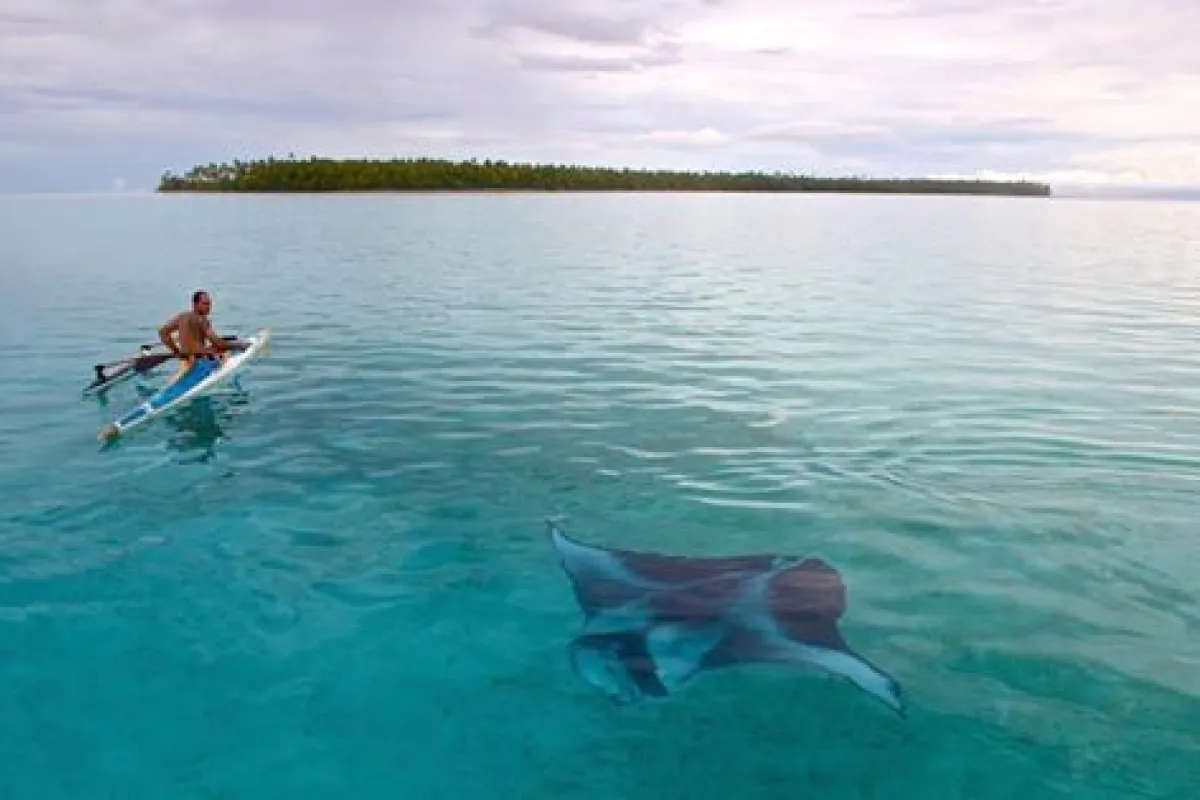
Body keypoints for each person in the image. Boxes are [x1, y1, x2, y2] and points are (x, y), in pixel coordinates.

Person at [159, 289, 247, 364]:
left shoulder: (182, 317)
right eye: (205, 304)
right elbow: (218, 343)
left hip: (187, 358)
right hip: (201, 359)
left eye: (209, 304)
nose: (209, 307)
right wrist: (240, 346)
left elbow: (163, 331)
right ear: (195, 304)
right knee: (222, 346)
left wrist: (177, 352)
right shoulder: (202, 320)